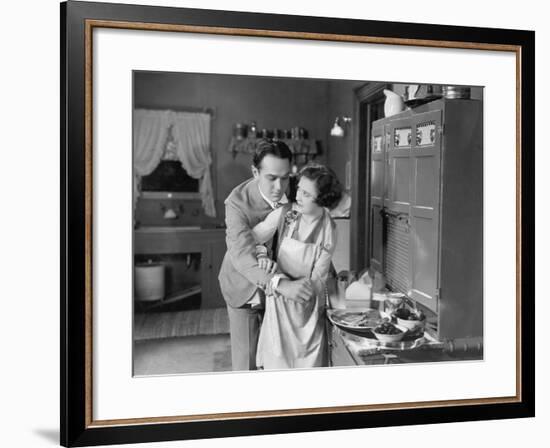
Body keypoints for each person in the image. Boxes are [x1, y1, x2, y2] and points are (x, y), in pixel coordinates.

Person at [218, 139, 313, 371]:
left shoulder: (297, 190)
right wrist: (280, 284)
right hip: (244, 286)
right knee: (247, 366)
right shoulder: (236, 202)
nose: (279, 187)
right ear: (255, 172)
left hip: (284, 285)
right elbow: (241, 254)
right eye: (271, 178)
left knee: (282, 361)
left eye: (284, 177)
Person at [254, 164, 343, 369]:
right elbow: (252, 238)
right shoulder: (285, 215)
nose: (298, 197)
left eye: (306, 193)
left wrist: (302, 291)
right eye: (299, 190)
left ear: (322, 199)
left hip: (306, 310)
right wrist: (262, 255)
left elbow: (318, 280)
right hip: (278, 301)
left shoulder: (329, 229)